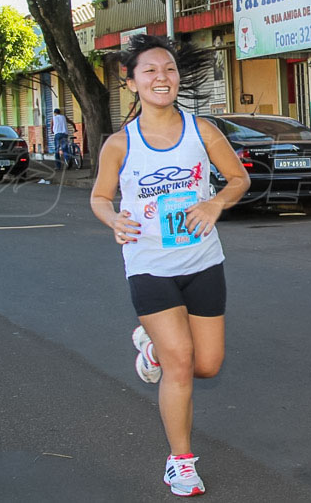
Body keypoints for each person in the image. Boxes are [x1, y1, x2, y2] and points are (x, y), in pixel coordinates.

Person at [90, 34, 250, 497]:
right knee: (181, 363)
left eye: (169, 70)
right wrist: (113, 219)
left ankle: (152, 348)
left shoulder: (203, 131)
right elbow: (100, 197)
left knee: (208, 365)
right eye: (150, 71)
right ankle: (180, 461)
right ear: (132, 82)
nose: (162, 78)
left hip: (202, 259)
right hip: (148, 263)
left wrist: (216, 204)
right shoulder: (120, 144)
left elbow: (238, 178)